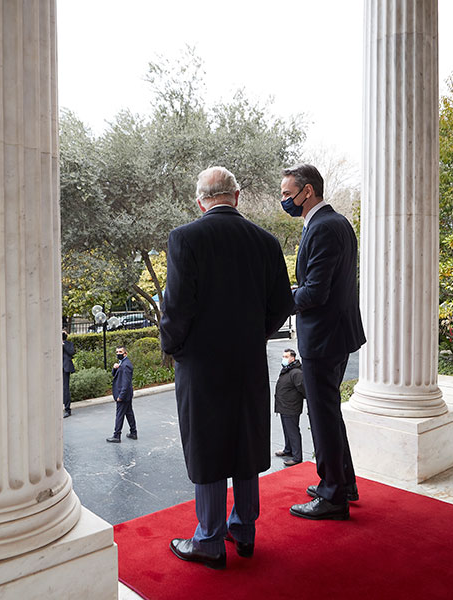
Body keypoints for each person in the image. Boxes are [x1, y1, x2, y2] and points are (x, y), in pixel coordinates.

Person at [160, 166, 294, 569]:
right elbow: (283, 305)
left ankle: (209, 539)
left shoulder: (185, 238)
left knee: (208, 444)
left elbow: (177, 306)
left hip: (202, 365)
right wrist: (256, 333)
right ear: (236, 197)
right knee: (246, 440)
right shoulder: (266, 242)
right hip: (248, 360)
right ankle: (244, 531)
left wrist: (175, 348)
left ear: (201, 201)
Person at [280, 163, 365, 521]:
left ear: (308, 191)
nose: (283, 199)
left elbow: (315, 291)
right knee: (328, 411)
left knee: (323, 414)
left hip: (324, 339)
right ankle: (342, 482)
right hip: (336, 334)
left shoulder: (323, 227)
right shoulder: (337, 223)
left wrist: (278, 299)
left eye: (287, 193)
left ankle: (332, 496)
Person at [274, 348, 306, 467]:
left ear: (293, 358)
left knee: (293, 431)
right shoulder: (287, 370)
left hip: (291, 407)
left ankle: (297, 457)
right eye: (283, 356)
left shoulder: (296, 373)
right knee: (287, 430)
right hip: (283, 406)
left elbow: (303, 388)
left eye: (286, 356)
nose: (284, 358)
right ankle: (288, 449)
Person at [106, 346, 136, 443]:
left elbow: (126, 382)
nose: (118, 353)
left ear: (125, 353)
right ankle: (133, 432)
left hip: (124, 395)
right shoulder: (122, 363)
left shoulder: (126, 365)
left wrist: (121, 396)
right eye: (117, 352)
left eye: (120, 352)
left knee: (119, 415)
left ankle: (116, 435)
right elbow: (115, 375)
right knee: (129, 413)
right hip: (126, 394)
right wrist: (115, 368)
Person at [62, 330, 76, 417]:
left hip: (65, 368)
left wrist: (63, 345)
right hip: (56, 368)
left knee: (65, 389)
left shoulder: (69, 344)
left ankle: (67, 409)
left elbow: (71, 353)